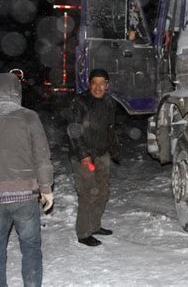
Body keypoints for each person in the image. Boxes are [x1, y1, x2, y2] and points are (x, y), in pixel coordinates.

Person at [0, 72, 54, 287]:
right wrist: (46, 188)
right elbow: (41, 156)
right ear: (18, 92)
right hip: (25, 197)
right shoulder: (29, 117)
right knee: (31, 249)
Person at [67, 68, 120, 247]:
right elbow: (74, 131)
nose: (98, 87)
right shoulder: (80, 102)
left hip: (102, 155)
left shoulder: (110, 102)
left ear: (107, 85)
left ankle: (95, 225)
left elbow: (110, 128)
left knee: (103, 193)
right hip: (84, 158)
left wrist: (113, 149)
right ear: (89, 84)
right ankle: (83, 233)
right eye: (94, 83)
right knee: (88, 194)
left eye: (102, 83)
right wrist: (83, 156)